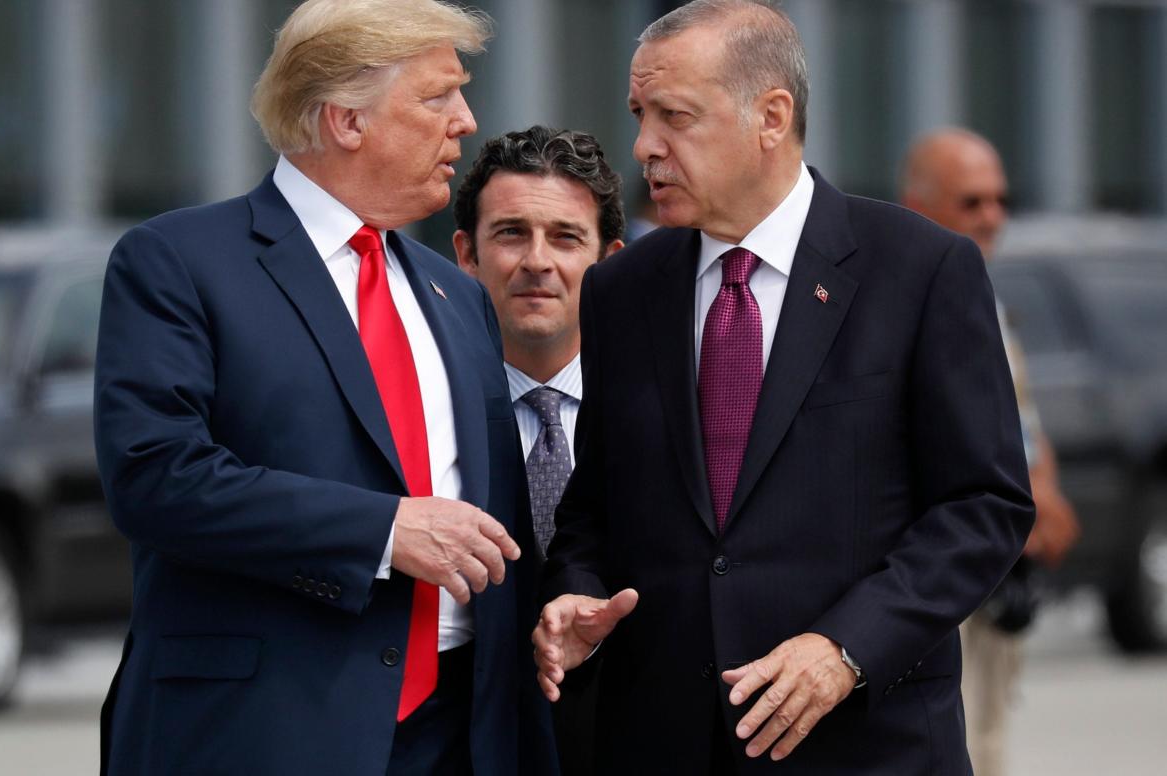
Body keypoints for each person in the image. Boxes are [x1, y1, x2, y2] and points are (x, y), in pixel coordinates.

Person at [531, 2, 1035, 774]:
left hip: (865, 744)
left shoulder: (921, 270)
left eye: (675, 116)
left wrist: (846, 648)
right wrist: (574, 592)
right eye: (640, 115)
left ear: (771, 117)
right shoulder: (621, 291)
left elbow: (982, 508)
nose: (644, 147)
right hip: (665, 745)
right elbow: (593, 511)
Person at [93, 1, 552, 774]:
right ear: (346, 120)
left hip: (459, 739)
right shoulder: (177, 261)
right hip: (263, 733)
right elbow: (154, 476)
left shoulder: (456, 294)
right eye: (438, 96)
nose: (466, 121)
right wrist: (381, 530)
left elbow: (492, 515)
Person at [901, 127, 1081, 776]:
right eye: (971, 202)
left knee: (992, 743)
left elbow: (1020, 416)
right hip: (945, 582)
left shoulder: (986, 296)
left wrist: (1047, 489)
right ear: (918, 204)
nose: (991, 217)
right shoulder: (902, 302)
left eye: (999, 201)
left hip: (999, 581)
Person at [453, 125, 625, 776]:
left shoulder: (668, 411)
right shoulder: (421, 417)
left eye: (564, 237)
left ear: (609, 259)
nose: (537, 261)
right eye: (510, 233)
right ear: (466, 253)